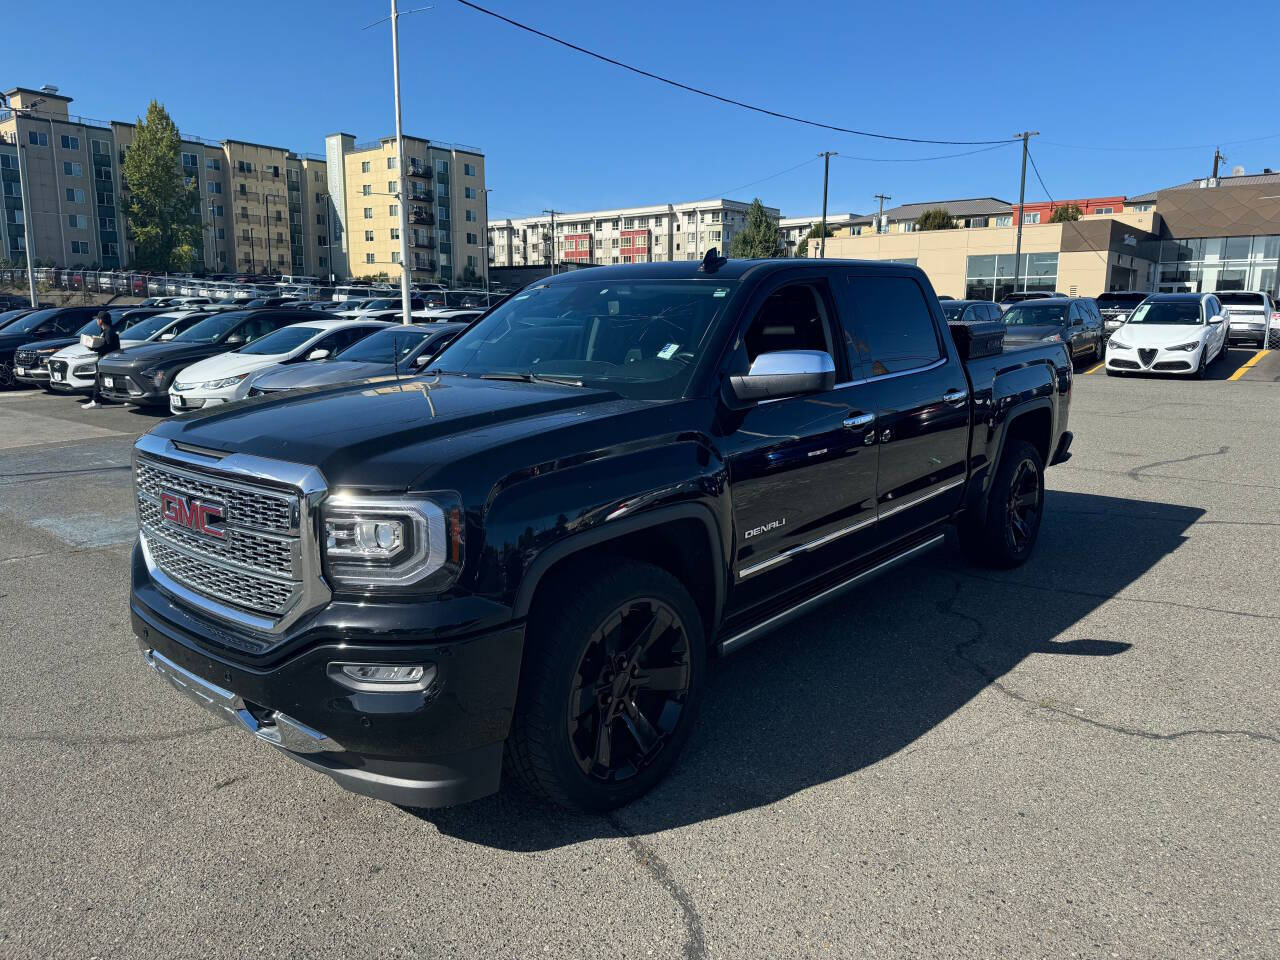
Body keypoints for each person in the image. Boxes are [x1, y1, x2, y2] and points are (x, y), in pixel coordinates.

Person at [82, 311, 119, 409]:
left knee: (98, 379)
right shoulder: (105, 331)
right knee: (110, 379)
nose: (96, 321)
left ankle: (96, 401)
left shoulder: (109, 331)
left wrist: (92, 347)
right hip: (106, 359)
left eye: (97, 319)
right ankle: (124, 398)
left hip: (107, 359)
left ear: (101, 320)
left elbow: (107, 346)